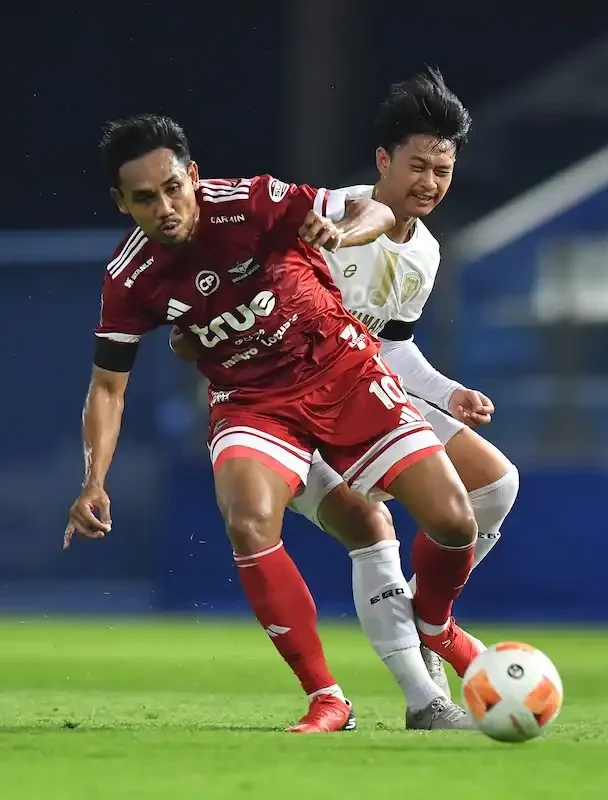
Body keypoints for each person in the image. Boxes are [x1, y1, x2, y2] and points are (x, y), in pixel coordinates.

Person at [64, 113, 480, 734]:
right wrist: (94, 479)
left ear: (192, 176)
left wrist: (341, 236)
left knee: (454, 519)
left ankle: (435, 626)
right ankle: (327, 698)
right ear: (122, 203)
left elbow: (378, 214)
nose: (166, 207)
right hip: (253, 402)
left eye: (173, 187)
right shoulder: (131, 278)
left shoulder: (252, 202)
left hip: (344, 372)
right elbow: (107, 386)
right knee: (249, 518)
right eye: (145, 198)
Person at [173, 68, 518, 728]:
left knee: (496, 488)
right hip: (276, 401)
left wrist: (450, 393)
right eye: (417, 166)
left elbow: (390, 345)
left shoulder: (427, 252)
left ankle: (425, 616)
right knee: (373, 529)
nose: (429, 184)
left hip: (358, 388)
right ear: (383, 160)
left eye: (442, 171)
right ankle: (426, 698)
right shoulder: (329, 216)